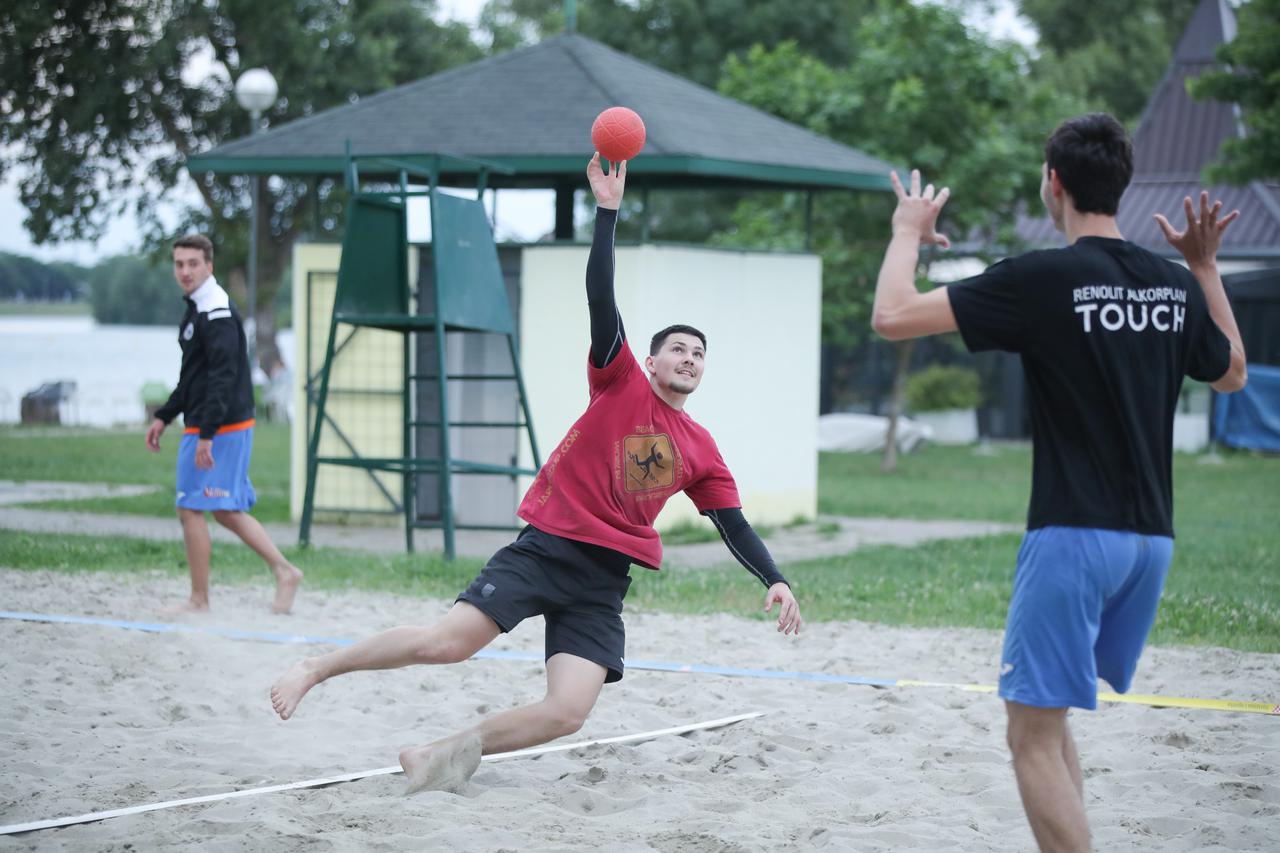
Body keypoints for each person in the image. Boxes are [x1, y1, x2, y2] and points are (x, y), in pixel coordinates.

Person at [270, 153, 803, 794]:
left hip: (603, 579)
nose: (689, 358)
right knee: (448, 644)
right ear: (653, 360)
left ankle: (435, 752)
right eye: (678, 349)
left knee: (567, 712)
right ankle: (316, 669)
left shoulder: (701, 447)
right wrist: (607, 212)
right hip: (548, 548)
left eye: (699, 353)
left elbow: (732, 523)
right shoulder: (619, 379)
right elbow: (600, 294)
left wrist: (774, 578)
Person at [868, 113, 1246, 852]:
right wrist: (1203, 266)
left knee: (1029, 736)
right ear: (1122, 185)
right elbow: (1231, 370)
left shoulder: (1040, 277)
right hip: (1151, 542)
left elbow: (891, 315)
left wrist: (908, 230)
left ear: (1055, 184)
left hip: (1074, 535)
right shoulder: (1170, 283)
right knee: (1051, 721)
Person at [146, 234, 304, 615]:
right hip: (212, 423)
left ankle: (201, 599)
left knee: (192, 507)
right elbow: (193, 376)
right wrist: (165, 415)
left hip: (222, 426)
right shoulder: (199, 308)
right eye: (179, 264)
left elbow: (222, 377)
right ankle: (284, 571)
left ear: (209, 266)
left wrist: (206, 433)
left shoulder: (215, 311)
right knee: (221, 509)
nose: (184, 271)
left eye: (193, 264)